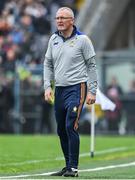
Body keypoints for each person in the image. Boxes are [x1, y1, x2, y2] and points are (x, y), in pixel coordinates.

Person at [43, 7, 98, 177]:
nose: (59, 20)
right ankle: (67, 166)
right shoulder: (53, 39)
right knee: (60, 129)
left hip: (77, 88)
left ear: (72, 20)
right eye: (57, 17)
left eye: (63, 18)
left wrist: (92, 91)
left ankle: (73, 167)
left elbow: (91, 66)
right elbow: (47, 64)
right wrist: (47, 87)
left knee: (70, 124)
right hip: (59, 89)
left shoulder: (83, 40)